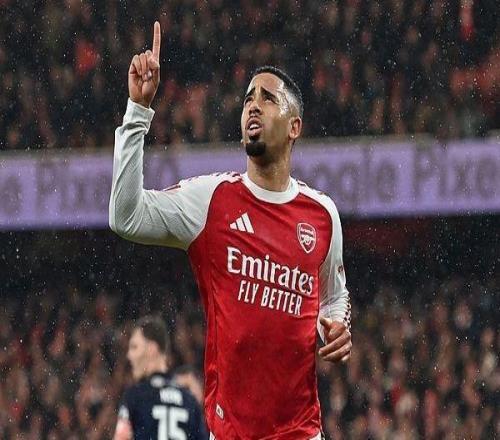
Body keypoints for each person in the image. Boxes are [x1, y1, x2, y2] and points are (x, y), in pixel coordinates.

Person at [109, 21, 352, 439]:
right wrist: (137, 112)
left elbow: (335, 296)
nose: (253, 106)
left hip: (302, 432)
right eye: (248, 99)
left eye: (268, 98)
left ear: (294, 127)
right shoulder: (211, 200)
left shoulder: (322, 215)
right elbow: (126, 216)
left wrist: (337, 327)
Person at [114, 316, 207, 440]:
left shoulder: (135, 397)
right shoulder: (189, 401)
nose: (129, 355)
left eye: (134, 347)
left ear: (152, 349)